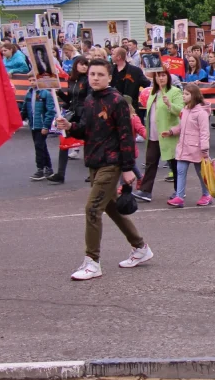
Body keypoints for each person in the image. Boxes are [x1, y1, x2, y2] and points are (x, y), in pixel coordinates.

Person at [54, 59, 153, 281]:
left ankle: (92, 262)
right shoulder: (90, 99)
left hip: (112, 162)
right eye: (92, 74)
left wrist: (127, 168)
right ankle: (140, 247)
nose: (95, 78)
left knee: (92, 209)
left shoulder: (117, 101)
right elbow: (87, 131)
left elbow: (126, 135)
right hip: (94, 161)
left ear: (109, 77)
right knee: (110, 207)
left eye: (100, 74)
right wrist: (70, 127)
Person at [134, 69, 183, 202]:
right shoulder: (152, 92)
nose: (160, 78)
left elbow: (181, 110)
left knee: (174, 163)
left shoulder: (175, 91)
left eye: (163, 75)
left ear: (168, 77)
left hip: (168, 134)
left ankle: (179, 191)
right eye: (158, 76)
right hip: (153, 134)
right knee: (150, 163)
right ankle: (145, 191)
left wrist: (169, 104)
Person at [162, 83, 211, 207]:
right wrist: (171, 131)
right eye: (183, 93)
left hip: (197, 149)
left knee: (201, 174)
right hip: (183, 147)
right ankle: (179, 197)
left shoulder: (201, 113)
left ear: (194, 95)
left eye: (187, 94)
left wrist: (204, 149)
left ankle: (206, 195)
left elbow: (204, 132)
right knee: (180, 172)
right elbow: (182, 126)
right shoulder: (185, 109)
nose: (183, 96)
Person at [48, 56, 90, 184]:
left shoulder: (88, 80)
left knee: (89, 144)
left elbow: (89, 99)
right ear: (76, 65)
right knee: (64, 142)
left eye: (86, 64)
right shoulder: (72, 80)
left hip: (84, 115)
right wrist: (59, 93)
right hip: (72, 114)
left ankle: (93, 172)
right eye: (82, 64)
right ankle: (60, 174)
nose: (84, 66)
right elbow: (70, 100)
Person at [20, 78, 56, 181]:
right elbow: (24, 109)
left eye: (34, 80)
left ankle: (40, 169)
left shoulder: (45, 94)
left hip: (41, 125)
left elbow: (50, 111)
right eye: (30, 80)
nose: (32, 82)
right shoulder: (29, 93)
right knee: (42, 146)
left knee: (39, 146)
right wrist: (19, 120)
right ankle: (48, 168)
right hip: (33, 125)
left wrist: (46, 126)